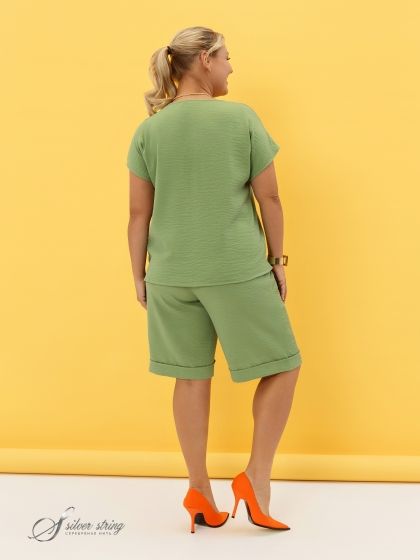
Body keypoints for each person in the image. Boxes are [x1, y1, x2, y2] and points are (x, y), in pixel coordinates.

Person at [126, 26, 302, 532]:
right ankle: (256, 479)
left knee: (189, 376)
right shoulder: (240, 118)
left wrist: (139, 275)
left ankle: (199, 489)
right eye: (226, 57)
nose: (231, 67)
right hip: (235, 269)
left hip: (170, 274)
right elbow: (270, 198)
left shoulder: (149, 131)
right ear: (204, 60)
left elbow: (138, 214)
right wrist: (277, 261)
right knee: (283, 367)